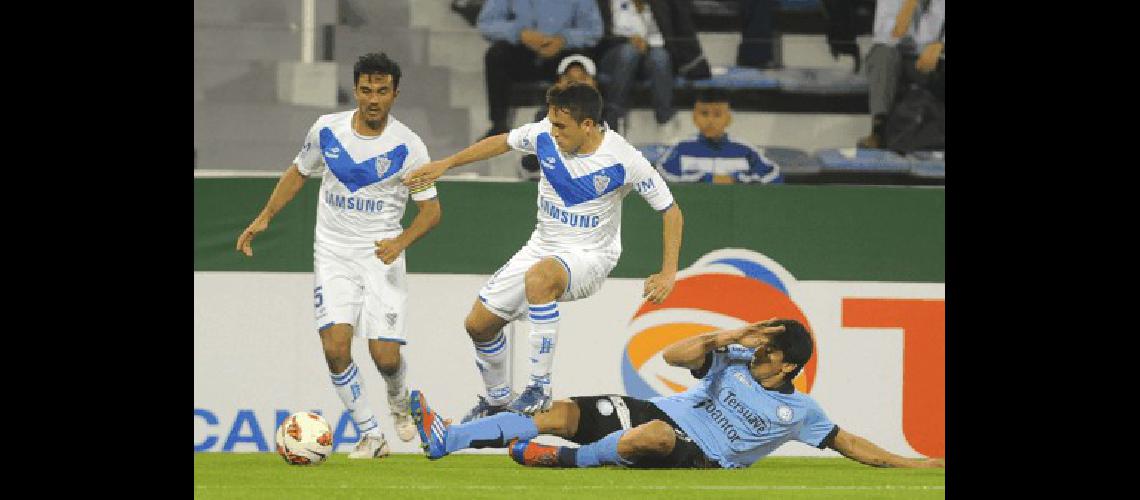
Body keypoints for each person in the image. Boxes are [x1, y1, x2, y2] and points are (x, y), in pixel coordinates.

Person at [403, 82, 683, 420]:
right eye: (551, 123)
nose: (553, 132)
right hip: (541, 246)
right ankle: (497, 402)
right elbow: (502, 142)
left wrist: (669, 271)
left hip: (591, 257)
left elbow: (670, 210)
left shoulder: (624, 159)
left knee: (540, 277)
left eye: (561, 127)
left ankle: (538, 388)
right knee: (478, 325)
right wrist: (446, 164)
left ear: (588, 125)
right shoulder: (544, 135)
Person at [235, 53, 442, 459]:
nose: (373, 99)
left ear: (395, 95)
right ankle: (371, 435)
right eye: (366, 90)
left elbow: (432, 212)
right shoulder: (327, 130)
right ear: (356, 90)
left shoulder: (410, 146)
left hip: (381, 255)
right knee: (335, 347)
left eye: (382, 91)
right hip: (333, 253)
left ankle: (398, 401)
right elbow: (298, 171)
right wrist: (264, 218)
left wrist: (400, 243)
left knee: (385, 355)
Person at [409, 318, 945, 469]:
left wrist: (916, 465)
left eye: (770, 346)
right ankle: (445, 438)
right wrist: (721, 338)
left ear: (789, 365)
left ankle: (565, 463)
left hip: (698, 451)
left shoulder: (799, 411)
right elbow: (673, 358)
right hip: (656, 408)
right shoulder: (733, 356)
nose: (760, 348)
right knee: (559, 412)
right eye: (761, 339)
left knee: (652, 438)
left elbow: (849, 443)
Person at [477, 0, 603, 138]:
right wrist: (520, 33)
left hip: (563, 50)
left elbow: (594, 30)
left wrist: (564, 40)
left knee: (578, 65)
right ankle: (499, 124)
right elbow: (486, 23)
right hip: (523, 50)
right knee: (496, 54)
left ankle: (581, 124)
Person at [594, 0, 711, 137]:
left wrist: (647, 45)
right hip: (614, 54)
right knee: (628, 52)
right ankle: (614, 116)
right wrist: (626, 41)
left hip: (650, 53)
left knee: (660, 57)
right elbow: (598, 35)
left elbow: (673, 33)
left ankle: (665, 118)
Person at [858, 0, 945, 148]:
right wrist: (908, 8)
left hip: (936, 60)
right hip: (901, 57)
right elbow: (883, 35)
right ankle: (878, 131)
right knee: (882, 53)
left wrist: (942, 46)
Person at [657, 89, 782, 184]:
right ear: (694, 118)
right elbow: (661, 176)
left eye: (717, 115)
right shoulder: (681, 149)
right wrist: (705, 179)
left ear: (728, 119)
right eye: (704, 114)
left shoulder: (745, 150)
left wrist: (739, 180)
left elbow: (774, 175)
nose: (710, 121)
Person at [520, 54, 601, 180]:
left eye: (582, 79)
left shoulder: (607, 116)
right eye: (570, 81)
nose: (576, 87)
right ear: (559, 84)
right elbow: (531, 162)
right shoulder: (545, 116)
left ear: (594, 84)